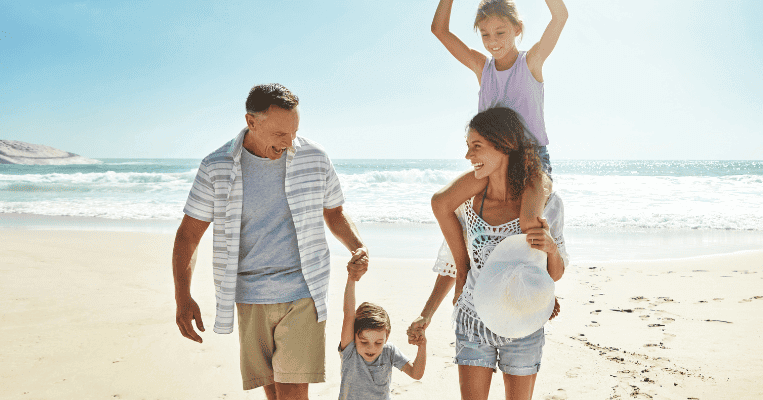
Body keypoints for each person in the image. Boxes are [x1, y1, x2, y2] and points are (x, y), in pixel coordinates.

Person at [171, 83, 369, 400]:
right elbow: (189, 234)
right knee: (274, 393)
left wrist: (357, 246)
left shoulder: (315, 158)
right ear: (251, 122)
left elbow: (334, 213)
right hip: (250, 296)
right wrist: (183, 295)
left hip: (304, 290)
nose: (290, 142)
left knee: (292, 393)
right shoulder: (216, 166)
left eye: (294, 132)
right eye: (280, 134)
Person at [416, 0, 569, 341]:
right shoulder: (481, 68)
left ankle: (541, 288)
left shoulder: (531, 62)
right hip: (491, 164)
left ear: (517, 30)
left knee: (528, 223)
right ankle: (463, 271)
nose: (492, 40)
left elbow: (561, 16)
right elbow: (439, 30)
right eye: (485, 34)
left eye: (500, 32)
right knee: (442, 202)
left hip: (531, 163)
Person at [414, 107, 569, 400]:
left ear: (504, 146)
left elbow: (556, 274)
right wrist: (456, 280)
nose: (468, 155)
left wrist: (550, 247)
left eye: (477, 146)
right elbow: (452, 250)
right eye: (468, 146)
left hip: (523, 322)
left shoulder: (547, 204)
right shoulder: (468, 203)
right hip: (472, 320)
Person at [338, 262, 426, 399]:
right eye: (364, 342)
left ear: (387, 337)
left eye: (378, 342)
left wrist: (422, 346)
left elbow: (416, 373)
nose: (371, 348)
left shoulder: (389, 352)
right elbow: (349, 315)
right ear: (354, 335)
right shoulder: (350, 351)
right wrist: (352, 278)